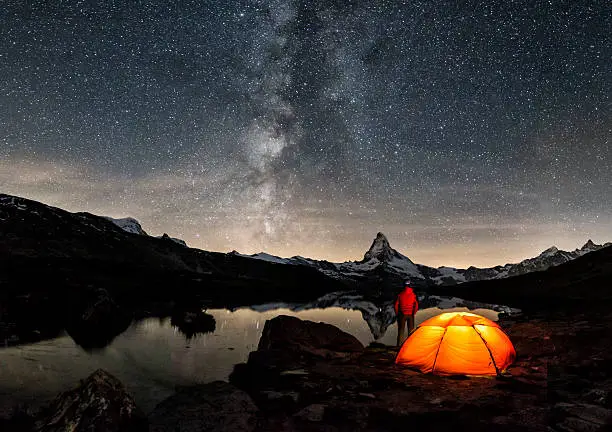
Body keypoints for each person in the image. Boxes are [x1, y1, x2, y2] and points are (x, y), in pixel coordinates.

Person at [395, 279, 419, 347]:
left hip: (402, 315)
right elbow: (416, 305)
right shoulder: (413, 294)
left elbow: (396, 305)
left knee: (401, 331)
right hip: (410, 315)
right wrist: (413, 313)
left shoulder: (400, 294)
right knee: (411, 331)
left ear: (404, 285)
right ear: (410, 285)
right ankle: (410, 347)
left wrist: (397, 313)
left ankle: (399, 347)